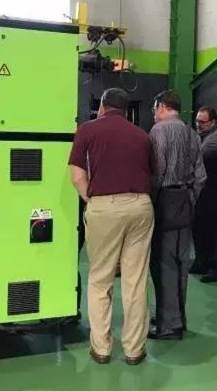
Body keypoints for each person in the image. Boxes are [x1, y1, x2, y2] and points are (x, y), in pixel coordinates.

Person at [68, 87, 153, 365]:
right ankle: (134, 349)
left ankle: (102, 348)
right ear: (126, 111)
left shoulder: (87, 130)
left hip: (104, 206)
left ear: (102, 107)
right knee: (135, 281)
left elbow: (77, 174)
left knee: (100, 278)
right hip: (141, 206)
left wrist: (90, 199)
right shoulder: (142, 135)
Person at [148, 90, 206, 340]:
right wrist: (189, 198)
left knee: (164, 263)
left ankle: (169, 323)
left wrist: (151, 201)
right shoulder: (192, 134)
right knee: (182, 262)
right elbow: (201, 176)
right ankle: (176, 316)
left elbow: (157, 172)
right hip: (185, 201)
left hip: (164, 201)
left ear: (162, 106)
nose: (153, 114)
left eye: (154, 109)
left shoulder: (157, 132)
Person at [190, 106, 217, 282]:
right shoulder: (203, 136)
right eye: (197, 121)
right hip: (203, 191)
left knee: (213, 231)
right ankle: (201, 261)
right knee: (199, 227)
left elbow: (197, 155)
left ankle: (216, 267)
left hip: (214, 192)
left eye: (202, 122)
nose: (198, 124)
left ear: (213, 122)